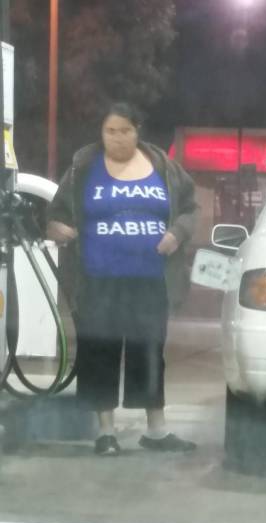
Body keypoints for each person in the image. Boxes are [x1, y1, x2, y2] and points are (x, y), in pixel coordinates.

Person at [47, 101, 198, 456]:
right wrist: (58, 228)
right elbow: (56, 214)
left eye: (125, 130)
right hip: (98, 280)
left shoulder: (162, 165)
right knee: (99, 351)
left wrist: (176, 233)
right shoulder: (83, 166)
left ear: (138, 130)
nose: (117, 138)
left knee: (148, 353)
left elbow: (191, 207)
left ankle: (156, 431)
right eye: (110, 131)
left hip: (150, 280)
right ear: (101, 133)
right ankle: (106, 433)